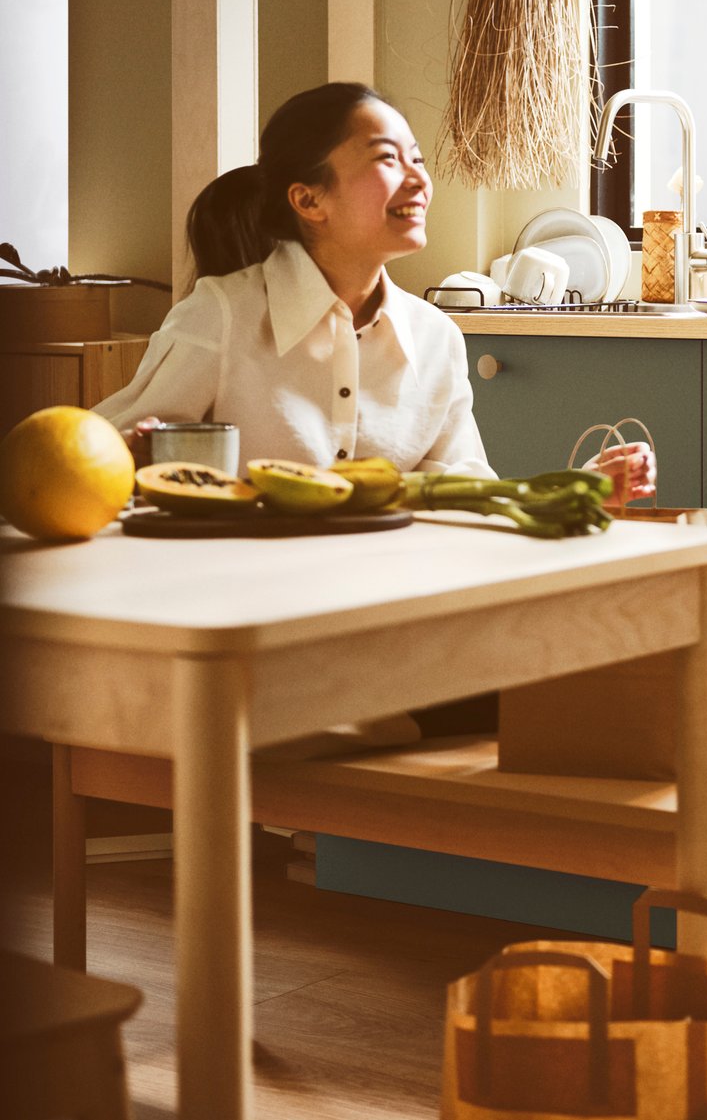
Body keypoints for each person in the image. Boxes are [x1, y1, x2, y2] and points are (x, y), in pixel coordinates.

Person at [97, 82, 653, 745]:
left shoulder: (436, 337)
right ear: (308, 199)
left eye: (418, 158)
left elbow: (465, 497)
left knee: (573, 686)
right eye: (389, 158)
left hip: (385, 634)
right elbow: (101, 454)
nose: (419, 178)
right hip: (250, 640)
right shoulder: (221, 316)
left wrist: (571, 487)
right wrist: (145, 459)